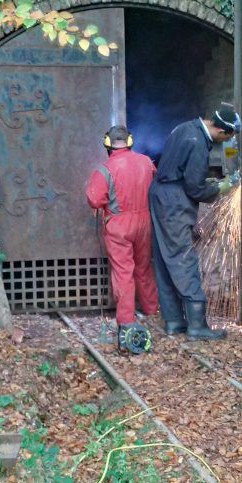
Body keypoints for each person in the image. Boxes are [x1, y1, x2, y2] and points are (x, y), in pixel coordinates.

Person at [149, 104, 242, 341]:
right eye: (228, 139)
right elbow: (195, 188)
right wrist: (221, 186)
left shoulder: (185, 128)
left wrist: (204, 180)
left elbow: (182, 170)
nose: (225, 143)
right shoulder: (199, 143)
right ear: (223, 132)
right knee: (183, 258)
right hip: (174, 203)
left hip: (160, 195)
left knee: (164, 258)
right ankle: (197, 325)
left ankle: (174, 321)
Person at [86, 125, 159, 346]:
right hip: (145, 221)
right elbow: (155, 184)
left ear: (107, 144)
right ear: (130, 141)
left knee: (123, 272)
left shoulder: (105, 169)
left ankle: (126, 319)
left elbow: (95, 200)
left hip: (119, 225)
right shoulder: (147, 162)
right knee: (144, 266)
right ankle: (151, 309)